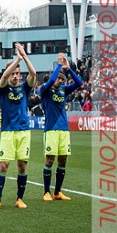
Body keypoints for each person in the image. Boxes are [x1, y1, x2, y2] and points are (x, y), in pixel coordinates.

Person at [0, 43, 36, 210]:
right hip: (8, 132)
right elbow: (3, 78)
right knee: (3, 165)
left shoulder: (25, 88)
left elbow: (34, 73)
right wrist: (16, 60)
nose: (16, 76)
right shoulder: (3, 89)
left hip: (23, 131)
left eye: (18, 73)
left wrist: (24, 56)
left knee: (22, 165)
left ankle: (19, 198)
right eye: (14, 73)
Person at [39, 53, 82, 201]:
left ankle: (57, 192)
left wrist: (68, 69)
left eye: (63, 79)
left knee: (63, 160)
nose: (61, 81)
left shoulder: (63, 91)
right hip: (51, 129)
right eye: (59, 78)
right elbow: (51, 80)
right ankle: (46, 192)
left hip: (64, 129)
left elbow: (79, 83)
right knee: (50, 160)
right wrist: (58, 65)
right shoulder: (45, 90)